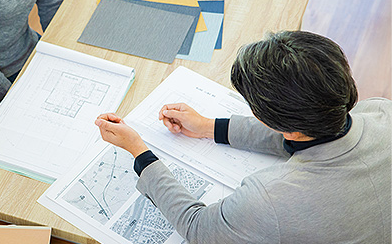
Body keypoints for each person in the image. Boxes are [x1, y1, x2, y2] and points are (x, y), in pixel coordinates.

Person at [95, 31, 391, 243]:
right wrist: (210, 126)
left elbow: (198, 226)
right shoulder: (380, 111)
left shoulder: (268, 198)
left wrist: (140, 152)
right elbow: (308, 134)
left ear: (279, 123)